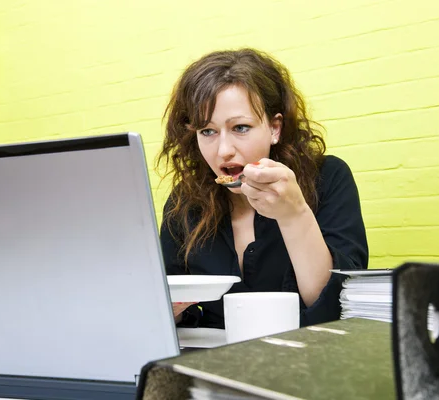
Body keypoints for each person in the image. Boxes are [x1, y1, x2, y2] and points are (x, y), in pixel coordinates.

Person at [156, 48, 368, 329]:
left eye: (240, 128)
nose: (223, 151)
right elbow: (171, 308)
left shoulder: (328, 178)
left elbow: (337, 309)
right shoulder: (185, 201)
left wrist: (294, 215)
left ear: (274, 128)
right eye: (207, 131)